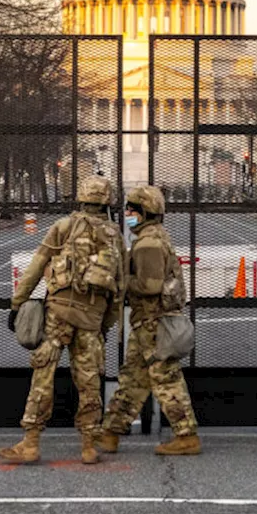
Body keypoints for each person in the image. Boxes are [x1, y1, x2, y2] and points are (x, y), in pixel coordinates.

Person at [0, 176, 125, 465]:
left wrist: (18, 304)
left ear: (80, 197)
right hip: (92, 318)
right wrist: (105, 324)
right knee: (89, 380)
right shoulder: (114, 235)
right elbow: (119, 288)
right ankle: (89, 445)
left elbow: (36, 267)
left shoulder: (64, 227)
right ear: (107, 201)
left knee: (43, 374)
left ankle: (30, 442)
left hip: (58, 313)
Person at [98, 185, 200, 456]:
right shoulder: (153, 237)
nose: (128, 213)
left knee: (165, 379)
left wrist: (119, 279)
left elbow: (150, 285)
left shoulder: (149, 243)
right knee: (133, 378)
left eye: (132, 209)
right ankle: (111, 432)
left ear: (145, 213)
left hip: (153, 323)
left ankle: (186, 434)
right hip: (149, 323)